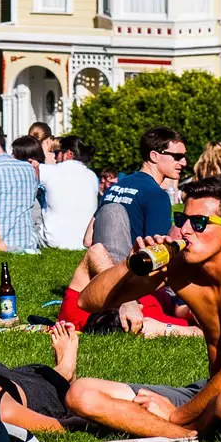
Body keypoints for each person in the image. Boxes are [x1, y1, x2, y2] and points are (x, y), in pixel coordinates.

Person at [66, 178, 221, 442]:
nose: (185, 230)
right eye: (181, 219)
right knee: (80, 392)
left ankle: (174, 425)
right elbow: (89, 301)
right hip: (212, 391)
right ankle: (186, 436)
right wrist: (131, 263)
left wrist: (174, 413)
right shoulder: (181, 268)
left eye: (198, 223)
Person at [58, 128, 185, 327]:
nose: (183, 163)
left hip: (97, 280)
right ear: (154, 155)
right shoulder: (155, 194)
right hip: (133, 284)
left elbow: (88, 240)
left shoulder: (115, 188)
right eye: (177, 157)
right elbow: (157, 255)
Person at [39, 136, 100, 250]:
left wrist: (44, 156)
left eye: (57, 152)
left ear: (68, 154)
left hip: (54, 242)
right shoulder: (92, 176)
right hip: (84, 243)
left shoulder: (49, 171)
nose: (55, 157)